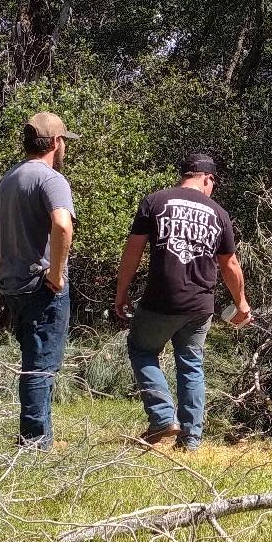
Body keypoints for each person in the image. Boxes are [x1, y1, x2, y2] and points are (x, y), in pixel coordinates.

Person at [113, 152, 250, 450]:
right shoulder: (219, 214)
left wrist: (121, 292)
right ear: (207, 178)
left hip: (161, 299)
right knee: (191, 365)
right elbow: (230, 265)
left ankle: (162, 416)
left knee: (142, 349)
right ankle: (190, 440)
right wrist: (241, 303)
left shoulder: (155, 201)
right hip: (200, 306)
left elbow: (132, 251)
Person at [0, 112, 78, 449]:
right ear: (54, 143)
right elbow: (63, 225)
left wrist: (1, 266)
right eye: (64, 141)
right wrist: (57, 274)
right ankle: (35, 442)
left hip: (15, 285)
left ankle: (37, 434)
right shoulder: (51, 180)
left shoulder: (10, 179)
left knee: (33, 359)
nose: (64, 147)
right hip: (42, 286)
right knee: (41, 366)